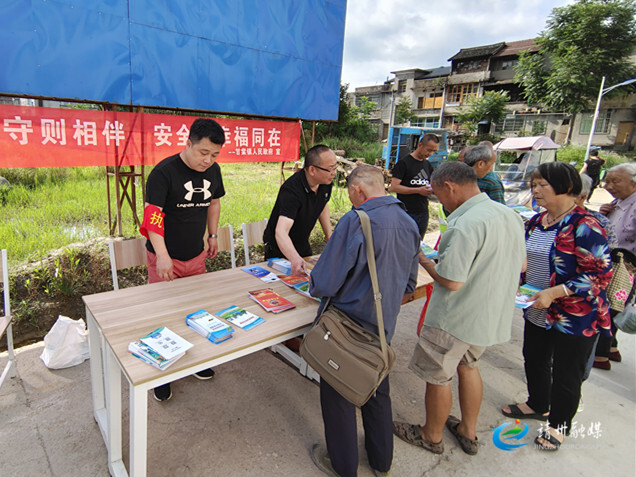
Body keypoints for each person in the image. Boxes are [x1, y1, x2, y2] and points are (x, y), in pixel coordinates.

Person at [394, 162, 525, 456]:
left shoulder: (465, 224)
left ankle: (431, 435)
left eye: (439, 195)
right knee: (469, 366)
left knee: (438, 374)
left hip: (455, 317)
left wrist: (425, 261)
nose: (440, 202)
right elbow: (523, 265)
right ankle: (467, 430)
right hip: (487, 314)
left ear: (449, 186)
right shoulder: (508, 215)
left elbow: (451, 281)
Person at [308, 165, 420, 477]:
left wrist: (313, 280)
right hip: (383, 327)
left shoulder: (356, 220)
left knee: (339, 393)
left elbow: (325, 282)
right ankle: (381, 462)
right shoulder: (409, 222)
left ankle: (343, 466)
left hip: (346, 325)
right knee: (375, 386)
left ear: (358, 190)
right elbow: (408, 284)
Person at [501, 162, 612, 452]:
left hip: (575, 315)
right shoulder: (538, 221)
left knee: (566, 373)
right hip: (537, 305)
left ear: (567, 186)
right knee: (534, 357)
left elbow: (600, 274)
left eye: (542, 185)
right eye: (533, 184)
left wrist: (558, 291)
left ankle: (559, 425)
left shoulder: (586, 224)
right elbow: (527, 259)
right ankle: (538, 403)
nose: (535, 191)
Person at [140, 117, 226, 402]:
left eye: (214, 154)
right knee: (163, 315)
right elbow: (153, 216)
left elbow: (214, 203)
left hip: (195, 255)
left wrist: (212, 236)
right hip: (166, 258)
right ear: (188, 144)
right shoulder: (164, 173)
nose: (208, 160)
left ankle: (197, 361)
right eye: (203, 153)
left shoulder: (214, 171)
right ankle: (162, 374)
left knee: (195, 311)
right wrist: (162, 256)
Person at [263, 145, 336, 276]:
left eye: (335, 167)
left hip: (302, 244)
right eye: (330, 169)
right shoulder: (291, 190)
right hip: (279, 251)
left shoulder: (326, 182)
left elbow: (322, 204)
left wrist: (329, 234)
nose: (334, 173)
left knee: (305, 285)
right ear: (312, 170)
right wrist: (294, 258)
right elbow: (281, 231)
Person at [593, 162, 636, 369]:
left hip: (627, 267)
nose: (609, 186)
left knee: (609, 306)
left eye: (615, 181)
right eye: (607, 181)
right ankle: (611, 348)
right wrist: (604, 214)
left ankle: (601, 355)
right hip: (614, 263)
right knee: (615, 304)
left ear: (634, 183)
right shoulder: (619, 202)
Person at [389, 134, 439, 239]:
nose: (430, 154)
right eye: (428, 150)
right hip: (406, 211)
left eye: (433, 151)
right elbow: (394, 187)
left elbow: (431, 183)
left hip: (423, 210)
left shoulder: (427, 165)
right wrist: (418, 190)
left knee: (419, 243)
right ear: (420, 145)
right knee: (404, 242)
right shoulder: (404, 163)